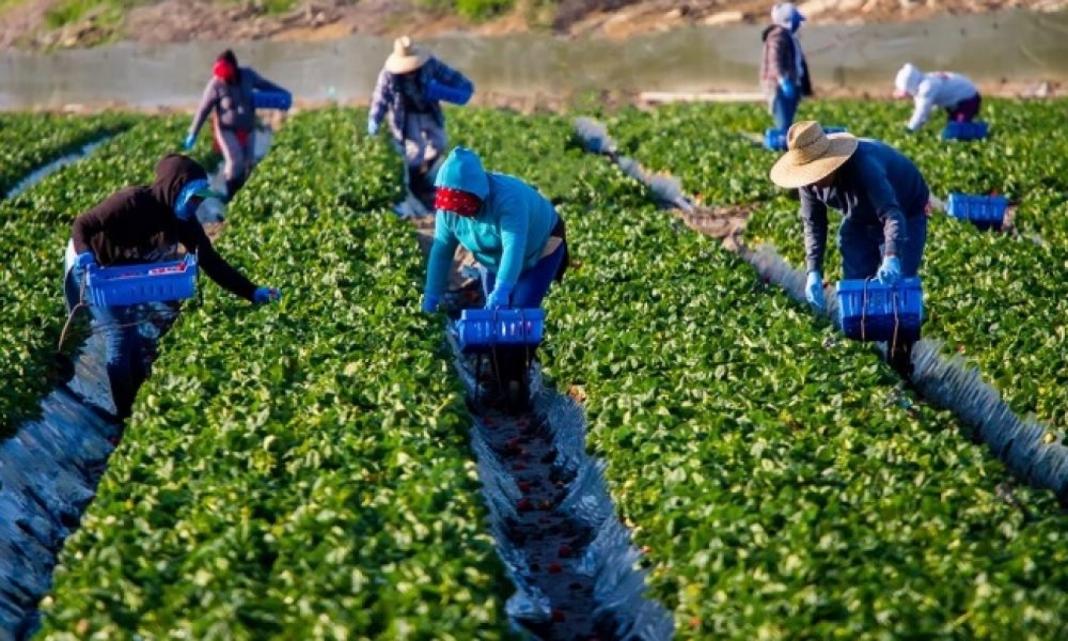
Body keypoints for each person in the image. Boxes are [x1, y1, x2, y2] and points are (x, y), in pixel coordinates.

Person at [64, 154, 280, 419]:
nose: (197, 204)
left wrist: (252, 291)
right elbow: (82, 224)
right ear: (175, 188)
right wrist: (85, 255)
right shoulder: (132, 202)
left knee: (133, 339)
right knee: (119, 339)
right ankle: (124, 417)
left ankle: (135, 409)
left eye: (200, 199)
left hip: (126, 274)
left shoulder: (183, 222)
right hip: (93, 269)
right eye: (194, 197)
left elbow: (210, 261)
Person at [769, 122, 929, 373]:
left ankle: (900, 359)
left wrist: (891, 256)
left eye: (818, 172)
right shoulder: (808, 183)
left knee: (898, 288)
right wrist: (813, 270)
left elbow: (892, 215)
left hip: (904, 210)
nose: (815, 180)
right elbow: (814, 224)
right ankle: (864, 358)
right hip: (858, 217)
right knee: (858, 284)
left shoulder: (864, 166)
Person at [422, 147, 567, 396]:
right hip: (492, 259)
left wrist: (502, 290)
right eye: (453, 205)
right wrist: (431, 295)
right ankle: (499, 377)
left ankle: (517, 378)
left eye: (463, 204)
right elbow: (441, 252)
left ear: (477, 193)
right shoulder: (449, 213)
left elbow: (515, 247)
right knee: (494, 322)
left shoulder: (508, 199)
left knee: (518, 311)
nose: (458, 210)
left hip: (541, 248)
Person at [368, 36, 474, 209]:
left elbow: (454, 79)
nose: (410, 71)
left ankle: (426, 175)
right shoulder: (388, 75)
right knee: (415, 151)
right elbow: (380, 98)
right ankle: (415, 183)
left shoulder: (430, 65)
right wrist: (374, 119)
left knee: (440, 143)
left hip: (428, 111)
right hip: (405, 116)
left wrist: (458, 89)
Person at [185, 49, 290, 199]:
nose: (224, 78)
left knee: (249, 163)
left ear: (234, 67)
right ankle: (229, 195)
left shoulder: (248, 75)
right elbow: (203, 109)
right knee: (235, 162)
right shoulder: (216, 85)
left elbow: (264, 84)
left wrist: (282, 93)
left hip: (248, 128)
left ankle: (243, 195)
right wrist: (193, 133)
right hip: (226, 130)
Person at [761, 3, 812, 132]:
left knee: (789, 122)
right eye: (796, 21)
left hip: (792, 84)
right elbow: (774, 61)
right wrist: (783, 80)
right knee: (784, 123)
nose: (798, 24)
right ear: (788, 20)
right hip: (779, 86)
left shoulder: (789, 36)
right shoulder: (778, 36)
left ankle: (787, 143)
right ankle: (781, 146)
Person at [895, 63, 981, 132]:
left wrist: (910, 129)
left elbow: (921, 112)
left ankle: (981, 131)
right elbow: (923, 107)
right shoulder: (924, 80)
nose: (906, 95)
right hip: (956, 100)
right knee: (953, 125)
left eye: (906, 92)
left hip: (968, 100)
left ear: (911, 86)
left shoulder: (927, 87)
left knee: (956, 131)